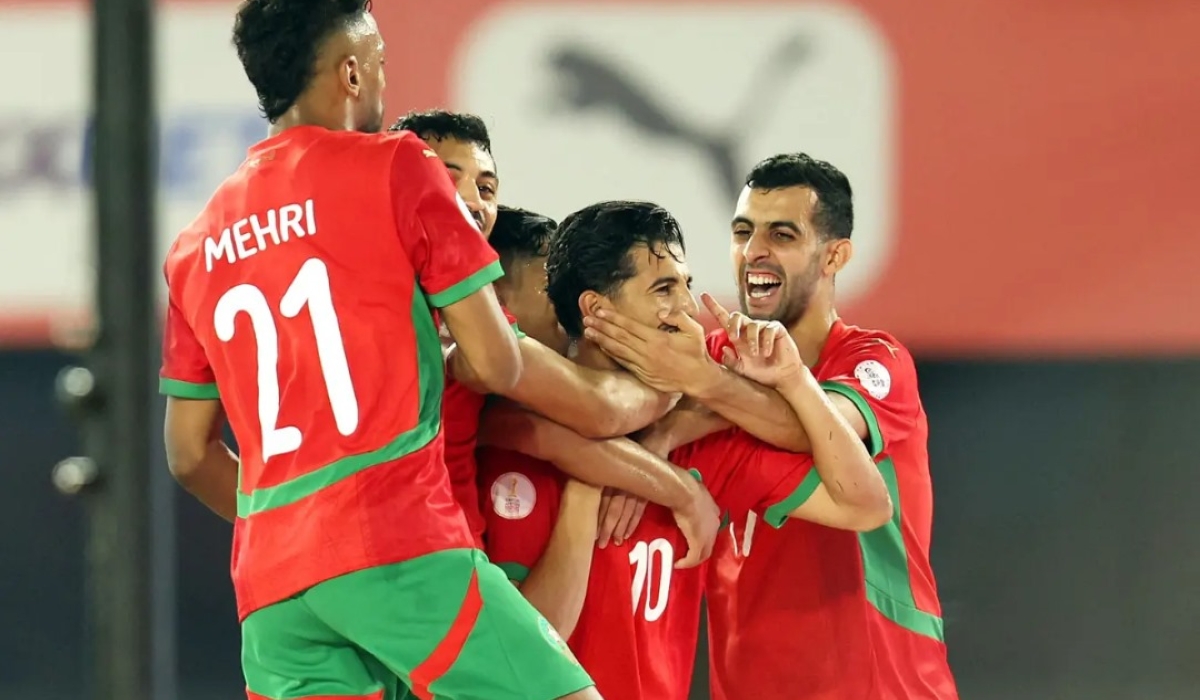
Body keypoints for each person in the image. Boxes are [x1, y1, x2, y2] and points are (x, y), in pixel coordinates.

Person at [157, 2, 599, 698]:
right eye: (383, 63)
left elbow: (186, 454)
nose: (387, 84)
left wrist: (294, 524)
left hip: (272, 585)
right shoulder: (397, 166)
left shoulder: (194, 246)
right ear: (353, 73)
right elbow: (496, 364)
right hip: (395, 540)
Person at [477, 200, 893, 699]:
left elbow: (865, 504)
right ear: (595, 309)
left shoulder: (702, 446)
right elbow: (524, 656)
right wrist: (589, 484)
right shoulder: (512, 451)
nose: (687, 309)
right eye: (663, 289)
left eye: (686, 285)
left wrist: (789, 379)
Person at [584, 154, 960, 699]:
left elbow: (814, 428)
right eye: (743, 231)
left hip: (883, 684)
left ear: (835, 255)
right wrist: (659, 435)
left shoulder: (874, 361)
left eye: (782, 234)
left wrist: (702, 392)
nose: (754, 251)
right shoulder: (710, 357)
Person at [389, 112, 719, 554]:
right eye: (552, 292)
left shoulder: (461, 327)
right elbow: (593, 411)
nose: (472, 200)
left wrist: (671, 421)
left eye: (486, 187)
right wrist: (676, 380)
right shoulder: (458, 336)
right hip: (412, 572)